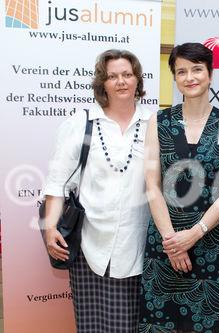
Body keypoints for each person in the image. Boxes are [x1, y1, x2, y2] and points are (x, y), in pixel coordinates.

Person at [43, 49, 152, 332]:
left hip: (138, 248)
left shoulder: (154, 124)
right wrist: (50, 226)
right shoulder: (82, 122)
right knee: (92, 327)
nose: (121, 82)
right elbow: (57, 181)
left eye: (127, 74)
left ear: (138, 80)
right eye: (112, 76)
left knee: (134, 326)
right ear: (102, 83)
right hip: (89, 245)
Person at [139, 42, 219, 333]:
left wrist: (195, 234)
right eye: (181, 71)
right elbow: (152, 184)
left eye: (197, 69)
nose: (190, 77)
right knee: (163, 325)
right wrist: (173, 241)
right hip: (166, 242)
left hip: (213, 242)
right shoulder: (158, 122)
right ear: (174, 77)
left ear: (210, 74)